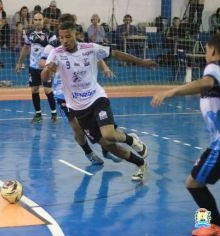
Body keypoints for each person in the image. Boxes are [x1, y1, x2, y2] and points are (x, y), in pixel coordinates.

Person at [42, 21, 157, 180]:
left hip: (97, 99)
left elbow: (116, 54)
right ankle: (140, 164)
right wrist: (48, 70)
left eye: (68, 36)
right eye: (61, 37)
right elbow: (44, 77)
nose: (64, 40)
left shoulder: (90, 48)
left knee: (109, 134)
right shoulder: (56, 53)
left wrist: (143, 62)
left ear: (77, 35)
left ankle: (131, 139)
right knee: (109, 145)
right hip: (78, 109)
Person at [151, 34, 220, 236]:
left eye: (206, 49)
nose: (206, 53)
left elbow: (205, 82)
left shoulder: (214, 67)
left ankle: (213, 225)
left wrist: (171, 92)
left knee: (194, 183)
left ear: (213, 51)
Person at [15, 12, 58, 123]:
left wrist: (51, 63)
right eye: (36, 20)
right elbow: (25, 48)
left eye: (40, 19)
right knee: (34, 90)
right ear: (33, 21)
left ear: (43, 20)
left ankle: (54, 114)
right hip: (33, 66)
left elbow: (55, 49)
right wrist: (20, 62)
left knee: (48, 90)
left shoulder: (50, 34)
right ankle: (38, 115)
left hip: (46, 67)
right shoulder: (29, 33)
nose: (38, 22)